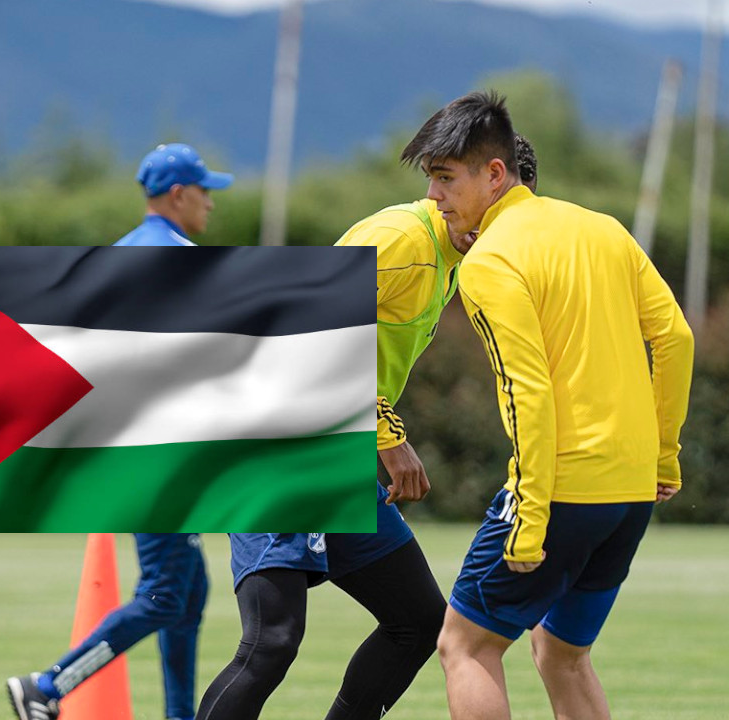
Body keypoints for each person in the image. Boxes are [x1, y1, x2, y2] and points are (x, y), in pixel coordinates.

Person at [194, 136, 541, 720]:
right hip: (280, 444)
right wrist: (390, 438)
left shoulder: (458, 257)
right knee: (272, 642)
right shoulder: (403, 239)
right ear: (493, 183)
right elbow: (311, 335)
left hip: (334, 452)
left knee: (418, 624)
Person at [402, 90, 693, 720]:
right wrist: (664, 456)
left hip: (560, 492)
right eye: (432, 181)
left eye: (447, 179)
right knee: (561, 651)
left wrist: (530, 517)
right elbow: (675, 338)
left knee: (465, 646)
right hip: (631, 491)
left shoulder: (492, 261)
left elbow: (524, 391)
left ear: (496, 174)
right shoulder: (604, 229)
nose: (435, 198)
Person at [7, 143, 231, 720]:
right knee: (164, 592)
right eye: (205, 191)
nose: (211, 202)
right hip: (156, 452)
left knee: (186, 590)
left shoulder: (115, 256)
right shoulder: (181, 257)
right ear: (179, 194)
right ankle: (48, 686)